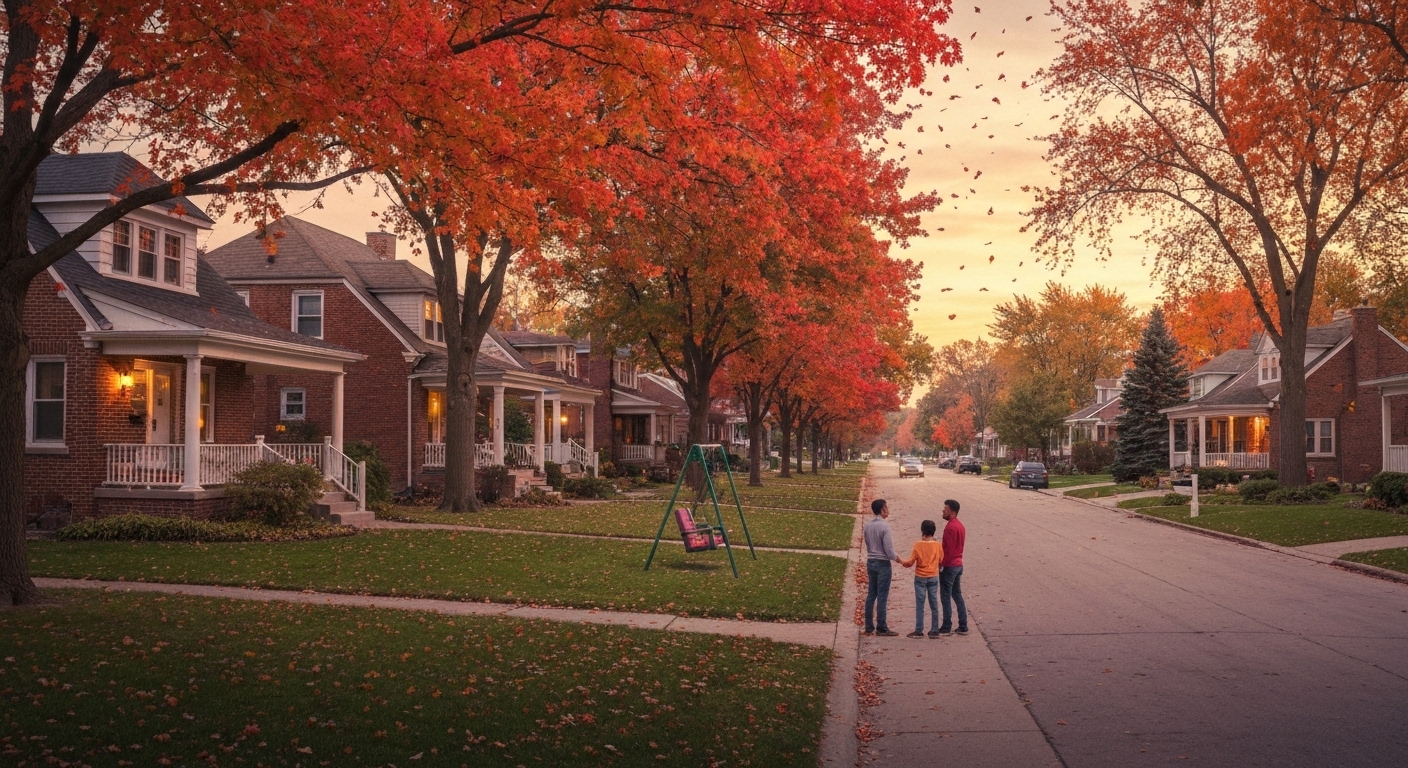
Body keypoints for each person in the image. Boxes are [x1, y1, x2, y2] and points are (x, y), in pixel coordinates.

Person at [899, 519, 944, 638]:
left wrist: (900, 561)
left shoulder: (918, 545)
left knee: (920, 604)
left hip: (920, 577)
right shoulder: (938, 545)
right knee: (934, 603)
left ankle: (919, 630)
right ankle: (934, 630)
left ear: (922, 531)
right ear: (934, 531)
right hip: (933, 576)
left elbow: (910, 562)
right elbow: (941, 559)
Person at [863, 498, 902, 637]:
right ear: (882, 509)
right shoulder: (885, 526)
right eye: (886, 507)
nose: (888, 509)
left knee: (871, 594)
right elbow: (889, 550)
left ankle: (868, 625)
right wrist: (899, 559)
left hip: (871, 561)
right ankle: (881, 626)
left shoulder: (867, 526)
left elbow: (867, 544)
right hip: (883, 564)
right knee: (882, 596)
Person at [937, 499, 968, 636]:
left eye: (946, 509)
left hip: (949, 566)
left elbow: (947, 550)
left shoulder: (950, 527)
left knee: (945, 596)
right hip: (958, 564)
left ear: (952, 511)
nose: (943, 511)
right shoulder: (960, 526)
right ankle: (963, 625)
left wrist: (941, 564)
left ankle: (946, 625)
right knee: (957, 594)